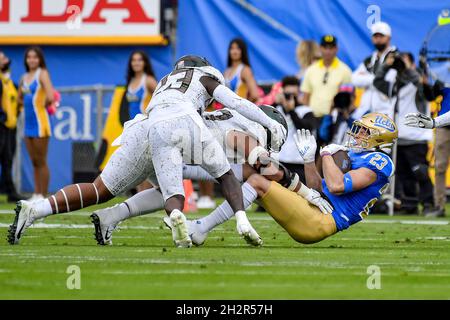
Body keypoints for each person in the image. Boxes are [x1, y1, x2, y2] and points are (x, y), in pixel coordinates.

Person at [8, 55, 287, 248]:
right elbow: (237, 105)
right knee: (184, 187)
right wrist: (266, 136)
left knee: (101, 190)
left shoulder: (166, 81)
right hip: (181, 126)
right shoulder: (206, 81)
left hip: (145, 127)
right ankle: (183, 221)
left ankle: (39, 210)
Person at [91, 105, 331, 246]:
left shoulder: (232, 116)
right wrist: (306, 192)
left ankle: (112, 215)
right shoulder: (244, 133)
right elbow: (264, 168)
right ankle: (201, 228)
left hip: (157, 137)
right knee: (250, 175)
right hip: (168, 145)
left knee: (165, 191)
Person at [174, 112, 398, 246]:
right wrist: (309, 160)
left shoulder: (380, 161)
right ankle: (182, 170)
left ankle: (201, 228)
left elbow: (337, 186)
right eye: (359, 129)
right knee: (254, 170)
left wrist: (327, 154)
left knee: (258, 181)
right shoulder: (359, 155)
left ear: (380, 139)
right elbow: (317, 191)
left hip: (321, 222)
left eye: (364, 132)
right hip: (317, 210)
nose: (358, 134)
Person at [373, 52, 437, 215]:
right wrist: (387, 64)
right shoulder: (395, 85)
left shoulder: (417, 85)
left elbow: (423, 87)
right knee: (402, 173)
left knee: (420, 171)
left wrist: (409, 67)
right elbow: (377, 81)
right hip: (399, 137)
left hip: (417, 137)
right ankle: (410, 205)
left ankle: (429, 203)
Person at [405, 81, 450, 217]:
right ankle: (439, 205)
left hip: (441, 122)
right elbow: (430, 95)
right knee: (439, 166)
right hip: (444, 125)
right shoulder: (443, 75)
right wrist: (427, 82)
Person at [18, 46, 56, 202]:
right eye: (29, 57)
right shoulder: (24, 77)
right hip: (28, 123)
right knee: (34, 161)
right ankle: (36, 193)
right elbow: (20, 97)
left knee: (41, 160)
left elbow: (50, 96)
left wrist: (40, 104)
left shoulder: (43, 74)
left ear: (40, 59)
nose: (32, 60)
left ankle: (42, 196)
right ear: (26, 60)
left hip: (41, 123)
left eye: (35, 57)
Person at [125, 50, 157, 192]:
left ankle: (146, 195)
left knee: (145, 164)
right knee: (135, 164)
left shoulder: (148, 80)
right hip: (133, 127)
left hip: (146, 126)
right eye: (134, 60)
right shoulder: (131, 81)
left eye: (139, 60)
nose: (136, 63)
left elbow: (161, 98)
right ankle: (140, 196)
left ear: (145, 63)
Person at [351, 21, 398, 118]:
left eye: (381, 36)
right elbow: (354, 79)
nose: (378, 39)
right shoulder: (369, 60)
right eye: (375, 36)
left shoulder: (396, 58)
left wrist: (366, 78)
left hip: (387, 111)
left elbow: (391, 81)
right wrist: (376, 79)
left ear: (388, 37)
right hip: (367, 111)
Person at [274, 76, 316, 182]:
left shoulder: (306, 111)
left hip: (298, 163)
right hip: (279, 161)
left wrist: (291, 111)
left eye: (294, 95)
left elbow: (305, 129)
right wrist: (275, 102)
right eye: (288, 95)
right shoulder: (275, 109)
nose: (291, 98)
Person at [300, 35, 352, 118]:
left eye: (331, 48)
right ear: (320, 48)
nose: (328, 51)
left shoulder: (345, 71)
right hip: (313, 117)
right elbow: (306, 96)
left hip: (333, 118)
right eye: (325, 47)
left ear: (336, 49)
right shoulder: (311, 69)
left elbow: (347, 99)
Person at [0, 51, 22, 202]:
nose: (5, 60)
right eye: (2, 59)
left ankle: (10, 191)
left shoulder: (10, 83)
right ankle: (11, 191)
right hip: (1, 125)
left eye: (5, 58)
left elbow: (15, 104)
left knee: (8, 160)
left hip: (10, 127)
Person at [224, 38, 259, 103]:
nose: (234, 51)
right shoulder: (226, 71)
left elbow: (255, 95)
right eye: (232, 48)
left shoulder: (245, 70)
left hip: (239, 112)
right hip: (226, 111)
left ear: (243, 51)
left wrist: (244, 107)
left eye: (238, 49)